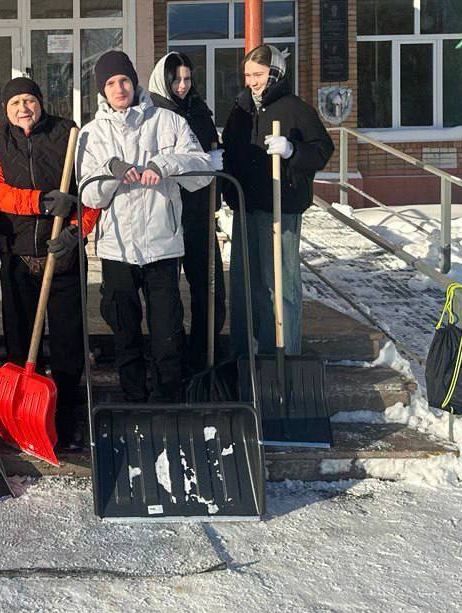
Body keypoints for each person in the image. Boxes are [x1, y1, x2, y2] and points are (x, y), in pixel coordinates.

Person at [77, 51, 218, 402]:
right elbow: (90, 195)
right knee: (124, 329)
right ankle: (133, 398)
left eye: (124, 80)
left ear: (134, 81)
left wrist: (164, 164)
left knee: (166, 330)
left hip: (162, 243)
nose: (119, 88)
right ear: (102, 91)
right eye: (110, 83)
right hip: (118, 247)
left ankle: (169, 398)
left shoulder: (167, 121)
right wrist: (112, 169)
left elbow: (202, 171)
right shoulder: (92, 134)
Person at [0, 77, 99, 448]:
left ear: (41, 103)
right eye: (15, 103)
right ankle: (20, 412)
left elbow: (92, 187)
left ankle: (65, 415)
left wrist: (77, 230)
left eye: (29, 100)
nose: (23, 109)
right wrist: (40, 202)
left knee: (67, 342)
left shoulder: (69, 134)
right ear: (5, 109)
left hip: (62, 253)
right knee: (19, 338)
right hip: (17, 252)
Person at [221, 44, 333, 356]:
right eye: (248, 75)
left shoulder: (294, 108)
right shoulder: (241, 108)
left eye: (258, 74)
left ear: (276, 72)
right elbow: (230, 151)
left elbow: (322, 149)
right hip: (246, 206)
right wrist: (228, 188)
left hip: (281, 209)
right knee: (246, 283)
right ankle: (244, 352)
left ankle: (280, 354)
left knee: (279, 284)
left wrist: (293, 151)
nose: (252, 81)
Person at [148, 51, 228, 374]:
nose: (182, 86)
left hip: (198, 211)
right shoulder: (153, 115)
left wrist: (217, 164)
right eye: (175, 79)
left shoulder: (199, 110)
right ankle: (171, 358)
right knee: (167, 294)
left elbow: (211, 148)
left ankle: (203, 353)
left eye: (186, 79)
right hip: (165, 213)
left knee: (208, 287)